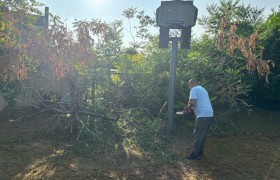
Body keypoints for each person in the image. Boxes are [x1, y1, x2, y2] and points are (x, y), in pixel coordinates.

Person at [183, 78, 214, 160]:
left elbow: (192, 103)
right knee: (202, 134)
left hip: (203, 115)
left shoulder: (194, 89)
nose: (189, 87)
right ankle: (200, 151)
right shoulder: (202, 89)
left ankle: (195, 154)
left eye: (189, 85)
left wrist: (187, 109)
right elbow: (199, 104)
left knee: (197, 135)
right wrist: (191, 111)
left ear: (192, 84)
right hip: (209, 115)